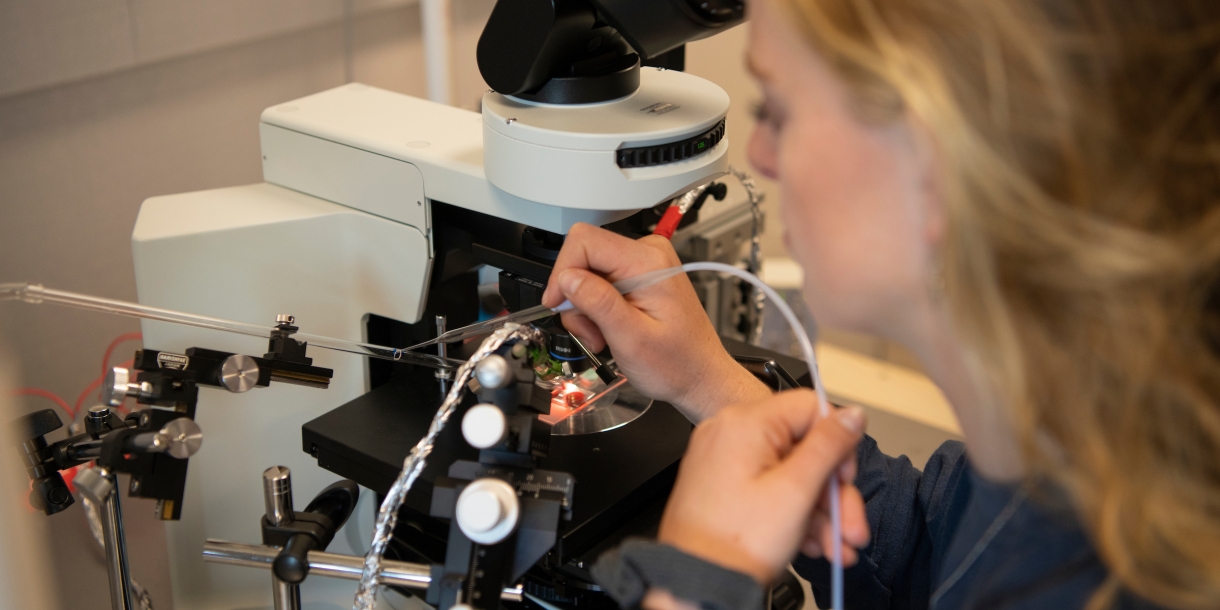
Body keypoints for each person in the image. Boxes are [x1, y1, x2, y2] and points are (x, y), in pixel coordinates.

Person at [539, 0, 1220, 608]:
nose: (759, 155)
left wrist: (694, 589)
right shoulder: (1082, 442)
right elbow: (933, 545)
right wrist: (705, 380)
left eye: (777, 109)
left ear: (937, 161)